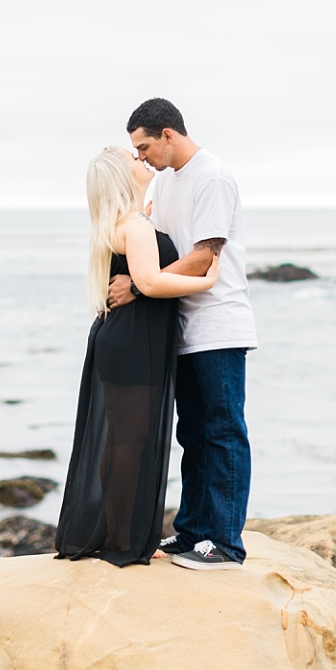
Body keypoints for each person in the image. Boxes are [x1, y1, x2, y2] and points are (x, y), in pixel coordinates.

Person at [107, 98, 257, 571]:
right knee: (192, 434)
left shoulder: (211, 176)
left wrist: (139, 284)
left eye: (145, 146)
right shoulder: (164, 182)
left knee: (223, 433)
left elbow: (203, 256)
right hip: (181, 326)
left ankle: (226, 544)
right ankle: (193, 532)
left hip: (218, 324)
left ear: (169, 134)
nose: (141, 157)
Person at [55, 146, 220, 567]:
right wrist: (207, 280)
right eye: (133, 159)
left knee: (123, 441)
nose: (142, 161)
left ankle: (115, 533)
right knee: (130, 442)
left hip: (124, 340)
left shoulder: (121, 223)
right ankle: (121, 540)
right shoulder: (134, 225)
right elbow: (149, 282)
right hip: (132, 343)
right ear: (121, 178)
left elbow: (139, 279)